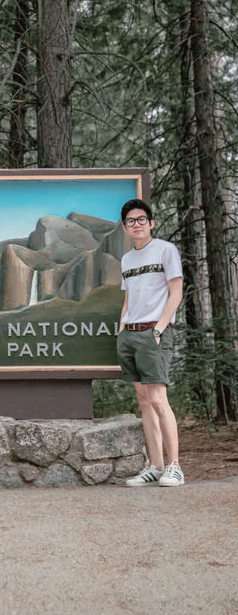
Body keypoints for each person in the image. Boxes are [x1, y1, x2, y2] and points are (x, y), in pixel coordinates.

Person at [117, 198, 185, 487]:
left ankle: (175, 466)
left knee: (158, 399)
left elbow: (176, 293)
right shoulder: (126, 259)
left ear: (151, 222)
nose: (137, 224)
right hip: (130, 334)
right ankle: (156, 465)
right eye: (131, 221)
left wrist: (159, 329)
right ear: (125, 227)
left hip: (153, 334)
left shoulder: (166, 250)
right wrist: (122, 329)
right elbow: (128, 298)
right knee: (144, 402)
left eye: (141, 219)